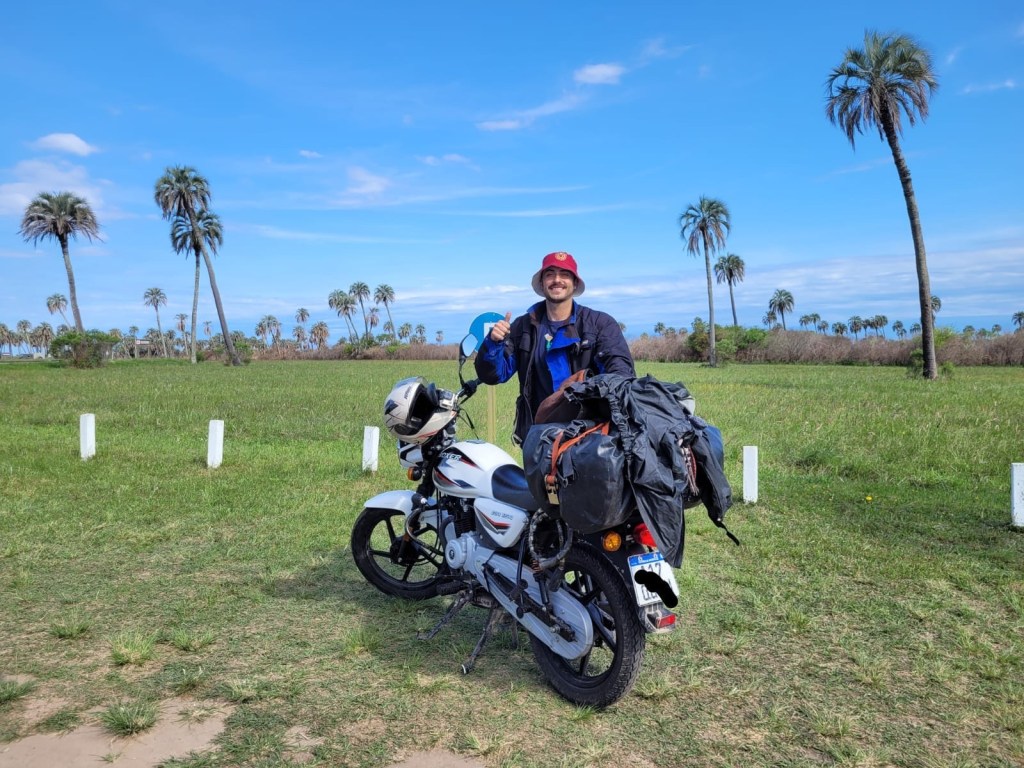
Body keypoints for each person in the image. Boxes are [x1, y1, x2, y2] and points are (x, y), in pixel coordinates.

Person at [474, 251, 635, 444]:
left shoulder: (600, 324)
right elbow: (493, 375)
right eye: (549, 274)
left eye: (564, 274)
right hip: (537, 439)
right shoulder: (523, 327)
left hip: (589, 441)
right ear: (542, 283)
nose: (557, 280)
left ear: (575, 283)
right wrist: (494, 343)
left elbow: (621, 376)